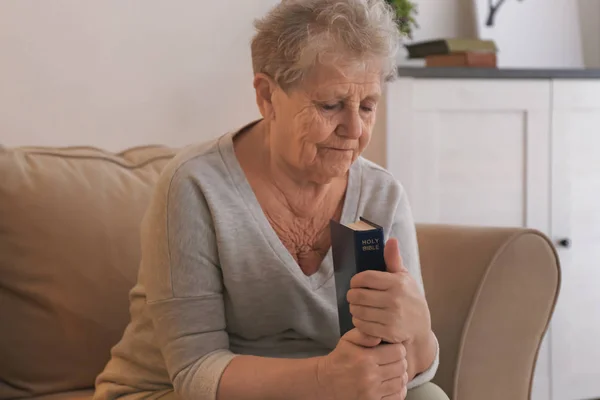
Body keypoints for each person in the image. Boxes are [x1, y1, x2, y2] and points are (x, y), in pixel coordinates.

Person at [94, 0, 449, 399]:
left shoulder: (383, 195)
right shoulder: (196, 186)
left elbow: (409, 371)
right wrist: (325, 379)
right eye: (330, 105)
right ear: (266, 96)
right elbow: (194, 373)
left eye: (367, 106)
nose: (354, 130)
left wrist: (417, 330)